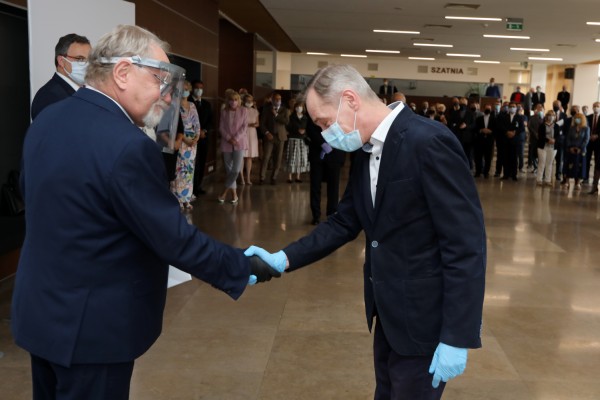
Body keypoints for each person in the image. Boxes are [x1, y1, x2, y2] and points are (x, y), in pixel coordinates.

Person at [12, 25, 280, 400]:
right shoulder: (127, 146)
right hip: (94, 330)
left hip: (41, 316)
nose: (168, 96)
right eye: (159, 79)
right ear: (122, 73)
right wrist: (242, 266)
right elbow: (173, 238)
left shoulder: (48, 121)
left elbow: (35, 197)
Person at [246, 64, 486, 399]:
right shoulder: (365, 147)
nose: (324, 134)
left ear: (350, 100)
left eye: (325, 123)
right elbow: (345, 220)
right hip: (388, 314)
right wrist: (283, 259)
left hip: (424, 322)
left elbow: (466, 244)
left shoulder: (429, 142)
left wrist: (458, 335)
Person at [30, 33, 91, 120]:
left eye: (90, 59)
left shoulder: (84, 93)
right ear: (61, 61)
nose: (88, 64)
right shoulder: (49, 97)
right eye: (80, 59)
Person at [305, 114, 345, 225]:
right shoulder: (316, 111)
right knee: (315, 186)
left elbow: (344, 130)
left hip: (335, 153)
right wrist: (322, 143)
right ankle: (316, 215)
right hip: (317, 153)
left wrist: (332, 143)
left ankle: (332, 214)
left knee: (333, 187)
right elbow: (310, 129)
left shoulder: (340, 112)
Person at [171, 80, 199, 211]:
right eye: (183, 88)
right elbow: (175, 125)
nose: (185, 90)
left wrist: (196, 137)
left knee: (189, 171)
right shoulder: (175, 105)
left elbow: (197, 124)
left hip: (192, 143)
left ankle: (187, 199)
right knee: (179, 169)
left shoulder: (192, 105)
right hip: (181, 139)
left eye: (187, 88)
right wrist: (185, 139)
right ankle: (177, 199)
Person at [218, 90, 247, 204]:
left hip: (239, 143)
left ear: (238, 101)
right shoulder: (224, 112)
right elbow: (221, 127)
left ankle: (224, 192)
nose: (233, 102)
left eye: (235, 100)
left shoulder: (243, 111)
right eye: (231, 100)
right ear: (228, 101)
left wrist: (236, 138)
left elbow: (244, 127)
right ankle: (234, 195)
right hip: (226, 143)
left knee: (235, 170)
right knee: (229, 170)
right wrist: (229, 138)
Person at [188, 80, 212, 196]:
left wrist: (204, 131)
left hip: (203, 138)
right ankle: (190, 188)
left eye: (201, 88)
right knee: (192, 163)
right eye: (196, 87)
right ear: (192, 89)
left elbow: (210, 121)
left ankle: (198, 186)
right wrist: (196, 132)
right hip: (191, 139)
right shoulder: (188, 102)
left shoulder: (207, 104)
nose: (199, 90)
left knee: (201, 162)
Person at [259, 92, 289, 184]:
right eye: (276, 99)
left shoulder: (285, 110)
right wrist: (267, 133)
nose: (278, 101)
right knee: (266, 157)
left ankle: (274, 177)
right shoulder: (266, 110)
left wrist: (276, 115)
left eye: (279, 99)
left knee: (278, 158)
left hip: (281, 137)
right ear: (272, 100)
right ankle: (262, 177)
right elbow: (262, 124)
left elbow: (286, 122)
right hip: (269, 137)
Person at [286, 101, 310, 183]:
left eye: (301, 107)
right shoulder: (291, 117)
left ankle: (298, 176)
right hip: (293, 138)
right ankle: (289, 177)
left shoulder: (305, 118)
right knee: (292, 156)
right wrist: (297, 130)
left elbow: (308, 128)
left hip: (302, 139)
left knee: (301, 158)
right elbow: (288, 127)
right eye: (297, 106)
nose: (299, 108)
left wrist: (304, 131)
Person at [564, 113, 589, 190]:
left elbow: (586, 140)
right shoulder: (572, 128)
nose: (577, 120)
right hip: (571, 149)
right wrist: (570, 147)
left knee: (579, 166)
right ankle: (567, 182)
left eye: (579, 118)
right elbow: (568, 138)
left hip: (581, 151)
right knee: (569, 166)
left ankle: (577, 183)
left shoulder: (586, 128)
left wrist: (580, 148)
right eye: (576, 118)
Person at [536, 110, 559, 187]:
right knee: (542, 163)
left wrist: (555, 140)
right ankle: (539, 179)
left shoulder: (556, 126)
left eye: (552, 115)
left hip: (553, 147)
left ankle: (547, 180)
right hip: (543, 146)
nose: (551, 117)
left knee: (549, 163)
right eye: (549, 115)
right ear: (546, 116)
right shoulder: (542, 125)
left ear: (554, 117)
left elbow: (559, 136)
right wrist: (548, 140)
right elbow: (540, 136)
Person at [241, 93, 259, 185]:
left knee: (249, 157)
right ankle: (241, 178)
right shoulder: (240, 110)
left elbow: (257, 123)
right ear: (244, 101)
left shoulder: (255, 111)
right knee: (241, 156)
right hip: (242, 133)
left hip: (252, 133)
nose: (249, 102)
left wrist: (253, 125)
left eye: (250, 101)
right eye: (247, 101)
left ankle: (248, 178)